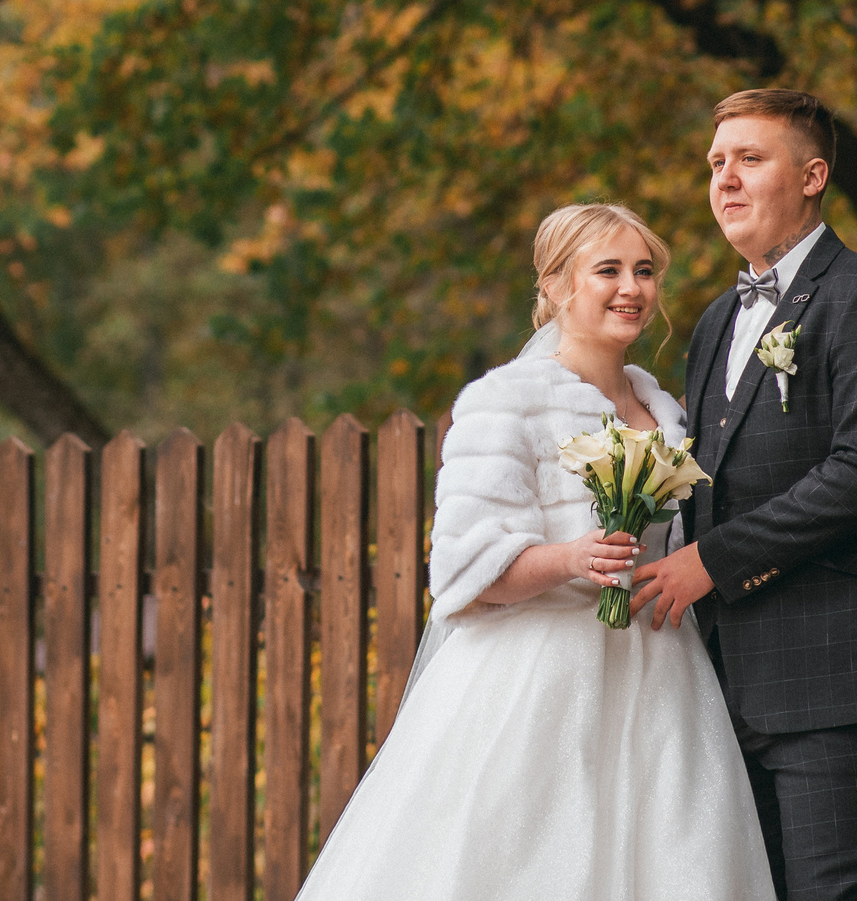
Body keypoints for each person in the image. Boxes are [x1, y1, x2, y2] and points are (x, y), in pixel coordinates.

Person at [294, 203, 778, 901]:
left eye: (644, 271)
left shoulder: (668, 411)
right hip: (540, 683)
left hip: (663, 677)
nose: (631, 288)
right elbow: (462, 572)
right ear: (554, 286)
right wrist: (570, 559)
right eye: (607, 269)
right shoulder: (505, 401)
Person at [626, 88, 857, 901]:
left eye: (749, 159)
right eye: (715, 163)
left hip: (837, 663)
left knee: (833, 890)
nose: (724, 179)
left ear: (813, 175)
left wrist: (713, 560)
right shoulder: (712, 324)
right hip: (725, 672)